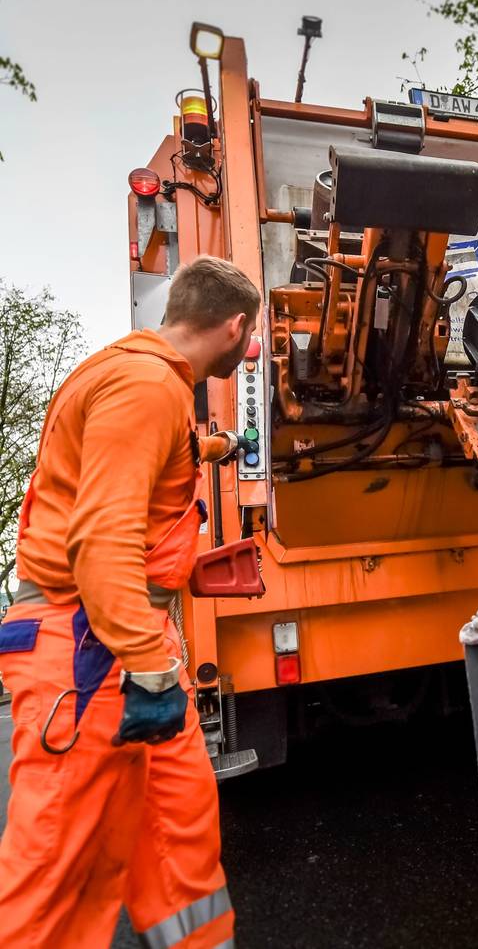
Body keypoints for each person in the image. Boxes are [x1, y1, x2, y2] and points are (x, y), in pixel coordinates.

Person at [0, 255, 260, 947]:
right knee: (60, 869)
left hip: (118, 646)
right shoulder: (146, 387)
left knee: (178, 833)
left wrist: (221, 445)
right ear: (235, 326)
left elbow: (154, 458)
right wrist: (147, 664)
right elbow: (102, 536)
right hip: (87, 653)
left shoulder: (147, 379)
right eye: (251, 337)